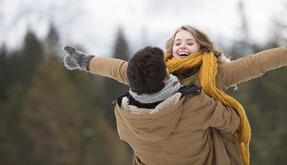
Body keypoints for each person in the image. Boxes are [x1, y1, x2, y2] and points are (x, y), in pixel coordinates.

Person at [63, 26, 287, 165]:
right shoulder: (151, 72)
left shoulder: (216, 74)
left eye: (189, 41)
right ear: (168, 51)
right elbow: (115, 67)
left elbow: (257, 62)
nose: (182, 44)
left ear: (201, 47)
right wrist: (85, 61)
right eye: (177, 41)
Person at [64, 46, 241, 165]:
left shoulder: (124, 115)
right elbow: (233, 122)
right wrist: (212, 94)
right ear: (166, 78)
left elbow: (118, 69)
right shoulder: (195, 105)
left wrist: (87, 62)